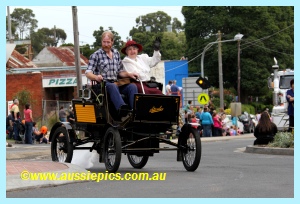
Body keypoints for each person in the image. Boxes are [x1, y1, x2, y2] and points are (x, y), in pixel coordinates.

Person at [85, 30, 138, 119]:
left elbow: (120, 72)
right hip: (103, 86)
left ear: (112, 42)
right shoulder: (96, 55)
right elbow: (88, 73)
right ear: (101, 42)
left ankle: (135, 111)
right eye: (104, 42)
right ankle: (122, 109)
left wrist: (129, 74)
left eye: (108, 42)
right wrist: (96, 77)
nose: (106, 44)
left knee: (132, 87)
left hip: (116, 84)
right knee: (111, 86)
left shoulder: (116, 54)